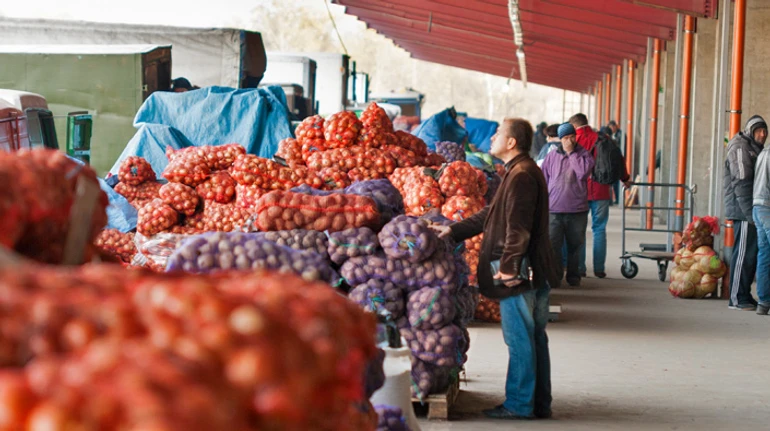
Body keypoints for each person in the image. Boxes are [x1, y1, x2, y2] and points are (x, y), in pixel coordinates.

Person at [431, 118, 559, 420]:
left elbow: (518, 228)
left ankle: (519, 404)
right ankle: (538, 403)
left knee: (520, 337)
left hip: (520, 267)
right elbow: (492, 213)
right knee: (534, 336)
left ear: (512, 142)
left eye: (498, 134)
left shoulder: (523, 175)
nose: (492, 139)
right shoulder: (520, 171)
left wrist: (509, 267)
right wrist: (453, 231)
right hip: (532, 265)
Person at [570, 113, 630, 278]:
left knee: (579, 231)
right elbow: (619, 159)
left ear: (574, 126)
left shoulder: (573, 141)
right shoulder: (604, 138)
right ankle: (599, 268)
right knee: (599, 230)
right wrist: (625, 178)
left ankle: (581, 268)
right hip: (602, 190)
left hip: (578, 192)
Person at [541, 122, 595, 287]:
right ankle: (556, 276)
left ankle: (573, 276)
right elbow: (543, 179)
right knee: (553, 245)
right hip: (554, 210)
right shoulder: (551, 156)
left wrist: (572, 153)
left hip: (577, 210)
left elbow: (582, 173)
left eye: (572, 137)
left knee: (575, 245)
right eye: (565, 138)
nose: (569, 140)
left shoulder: (584, 155)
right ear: (560, 139)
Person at [724, 115, 768, 311]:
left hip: (750, 210)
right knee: (742, 254)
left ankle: (744, 294)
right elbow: (741, 183)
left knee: (751, 254)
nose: (762, 134)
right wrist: (750, 214)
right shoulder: (740, 147)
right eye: (758, 131)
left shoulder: (755, 149)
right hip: (743, 211)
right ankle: (736, 297)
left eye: (764, 131)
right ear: (750, 131)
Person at [752, 128, 770, 316]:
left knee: (765, 256)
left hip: (758, 207)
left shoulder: (764, 152)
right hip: (768, 208)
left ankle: (763, 303)